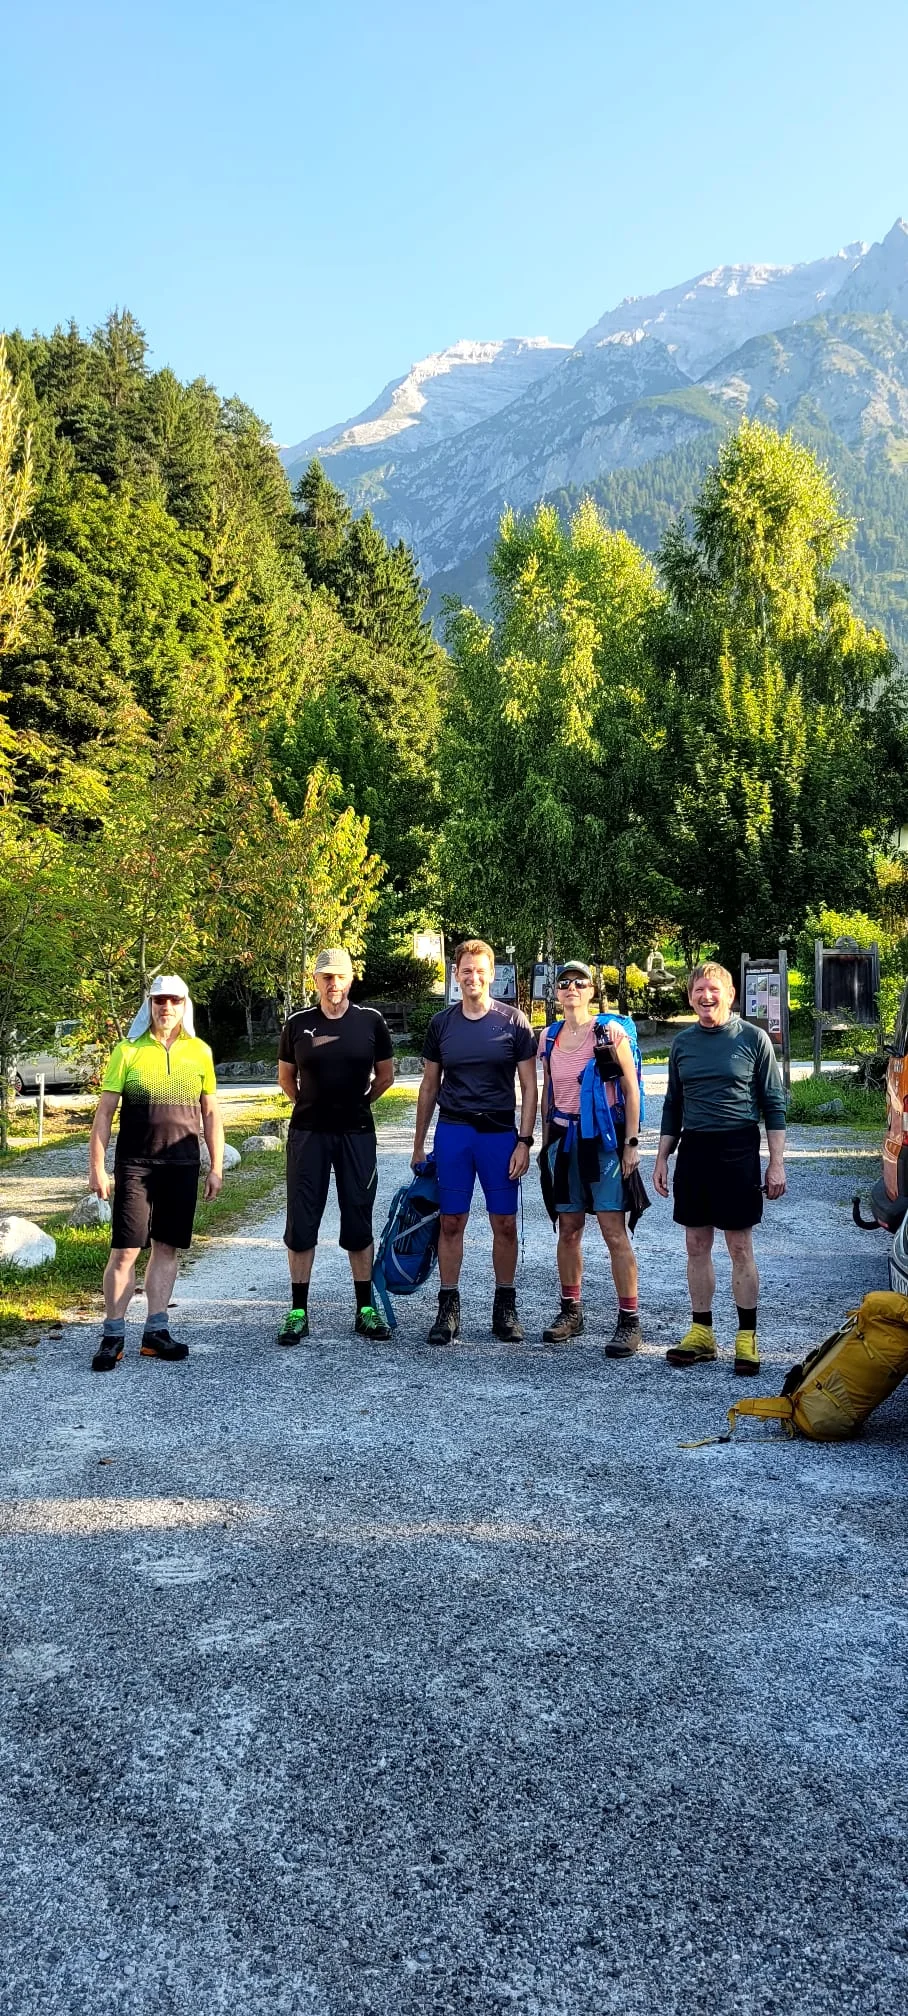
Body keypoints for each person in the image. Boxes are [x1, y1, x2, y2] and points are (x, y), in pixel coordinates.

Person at [653, 960, 787, 1374]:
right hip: (695, 1150)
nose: (706, 997)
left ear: (730, 995)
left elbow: (773, 1106)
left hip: (737, 1148)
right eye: (698, 991)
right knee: (696, 1245)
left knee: (739, 1246)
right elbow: (674, 1103)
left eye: (714, 990)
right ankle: (702, 1334)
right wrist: (661, 1156)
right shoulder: (683, 1043)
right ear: (690, 997)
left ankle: (746, 1337)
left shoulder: (753, 1038)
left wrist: (776, 1163)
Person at [88, 975, 223, 1372]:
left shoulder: (199, 1052)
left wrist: (215, 1166)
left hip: (182, 1164)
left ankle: (155, 1332)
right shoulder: (126, 1051)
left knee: (167, 1247)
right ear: (149, 1005)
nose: (166, 1008)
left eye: (174, 1001)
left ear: (185, 1006)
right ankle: (113, 1335)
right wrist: (97, 1166)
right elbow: (104, 1113)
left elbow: (211, 1112)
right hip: (135, 1164)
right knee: (126, 1250)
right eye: (159, 1001)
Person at [411, 939, 538, 1346]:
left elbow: (530, 1089)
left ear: (492, 974)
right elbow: (429, 1086)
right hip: (454, 1132)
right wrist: (418, 1143)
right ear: (455, 974)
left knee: (504, 1222)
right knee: (451, 1221)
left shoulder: (514, 1021)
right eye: (466, 970)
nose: (473, 977)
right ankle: (448, 1306)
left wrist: (524, 1141)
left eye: (480, 970)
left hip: (499, 1135)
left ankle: (505, 1306)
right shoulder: (441, 1024)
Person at [276, 947, 395, 1344]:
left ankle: (365, 1309)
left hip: (357, 1133)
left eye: (340, 977)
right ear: (315, 981)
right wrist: (313, 1106)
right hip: (308, 1134)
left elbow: (385, 1076)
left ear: (350, 979)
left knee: (358, 1216)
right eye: (326, 977)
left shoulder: (371, 1022)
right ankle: (297, 1311)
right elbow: (285, 1080)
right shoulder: (297, 1024)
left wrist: (358, 1104)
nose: (333, 984)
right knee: (302, 1220)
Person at [539, 961, 643, 1354]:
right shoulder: (548, 1038)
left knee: (613, 1231)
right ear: (556, 992)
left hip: (601, 1141)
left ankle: (629, 1319)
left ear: (591, 990)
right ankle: (571, 1311)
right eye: (564, 983)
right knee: (568, 1229)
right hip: (564, 1141)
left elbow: (631, 1091)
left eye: (580, 983)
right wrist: (544, 1147)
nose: (571, 988)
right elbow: (549, 1093)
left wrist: (631, 1143)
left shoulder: (609, 1033)